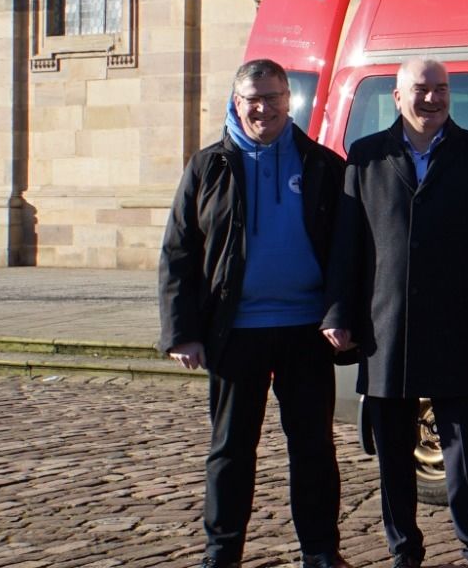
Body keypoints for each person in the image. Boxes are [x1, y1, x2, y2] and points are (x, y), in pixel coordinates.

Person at [323, 57, 468, 568]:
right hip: (382, 323)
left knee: (464, 445)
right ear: (397, 96)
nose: (432, 98)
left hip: (452, 318)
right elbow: (349, 246)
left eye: (441, 89)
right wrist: (337, 313)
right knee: (392, 449)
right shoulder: (364, 157)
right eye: (421, 89)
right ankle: (403, 547)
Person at [159, 58, 350, 568]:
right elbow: (178, 252)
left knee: (313, 449)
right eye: (252, 99)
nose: (263, 108)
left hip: (307, 330)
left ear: (290, 100)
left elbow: (347, 252)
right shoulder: (207, 167)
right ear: (236, 102)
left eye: (273, 97)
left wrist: (342, 314)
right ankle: (222, 553)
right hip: (234, 332)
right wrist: (182, 331)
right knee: (230, 450)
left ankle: (320, 551)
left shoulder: (324, 165)